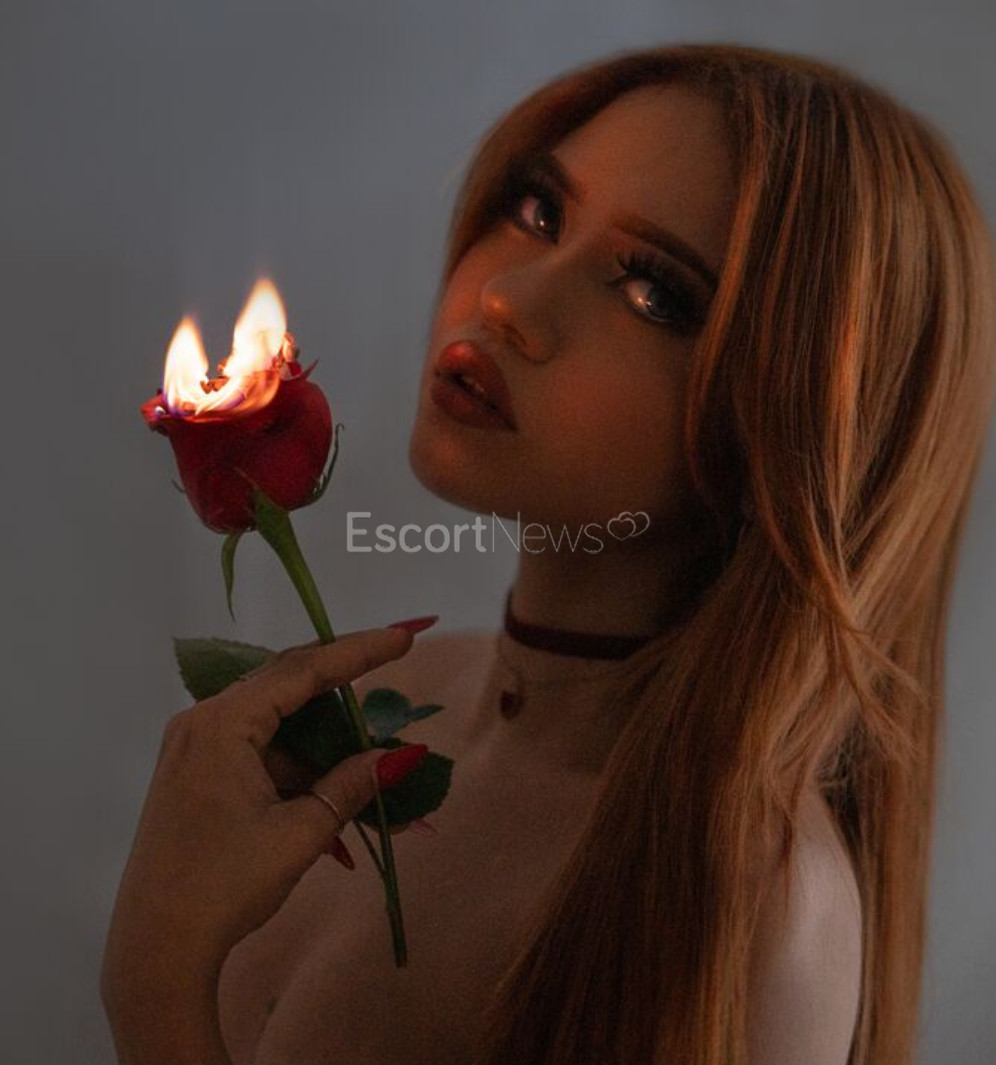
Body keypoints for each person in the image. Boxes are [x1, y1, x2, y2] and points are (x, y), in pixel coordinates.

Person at [100, 42, 996, 1065]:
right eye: (538, 211)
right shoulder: (383, 708)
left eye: (654, 293)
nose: (510, 301)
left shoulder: (752, 906)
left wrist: (156, 987)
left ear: (799, 433)